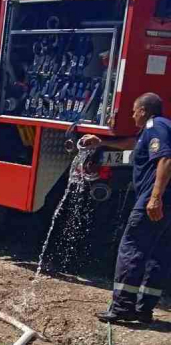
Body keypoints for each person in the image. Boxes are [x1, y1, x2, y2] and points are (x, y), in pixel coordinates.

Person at [80, 92, 171, 324]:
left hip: (155, 199)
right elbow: (133, 143)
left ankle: (122, 308)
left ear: (143, 110)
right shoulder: (154, 129)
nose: (132, 115)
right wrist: (102, 142)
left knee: (131, 248)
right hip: (166, 201)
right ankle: (144, 309)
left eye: (133, 111)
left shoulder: (155, 125)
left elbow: (166, 159)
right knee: (157, 253)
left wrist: (155, 197)